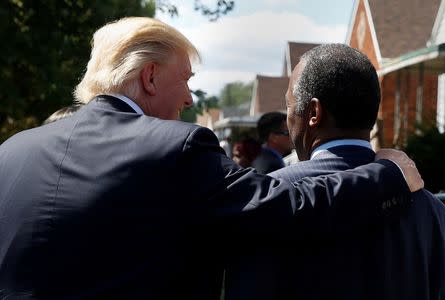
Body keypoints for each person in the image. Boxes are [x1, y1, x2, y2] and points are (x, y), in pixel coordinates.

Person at [0, 18, 422, 300]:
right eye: (185, 79)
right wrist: (388, 175)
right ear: (149, 76)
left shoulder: (12, 152)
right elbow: (288, 208)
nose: (188, 98)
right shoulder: (174, 147)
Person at [226, 44, 445, 300]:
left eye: (289, 106)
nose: (288, 123)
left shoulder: (271, 198)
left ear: (313, 112)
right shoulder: (433, 210)